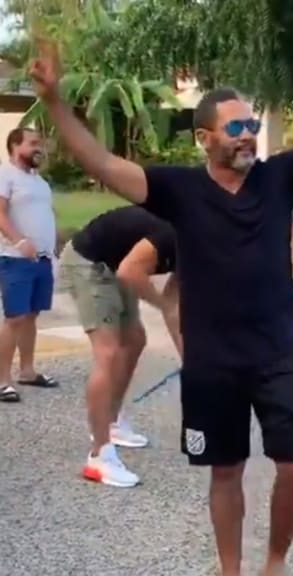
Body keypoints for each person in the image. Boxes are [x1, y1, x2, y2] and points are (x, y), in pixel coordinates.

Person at [29, 16, 293, 576]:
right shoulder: (178, 190)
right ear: (204, 137)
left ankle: (275, 562)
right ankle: (230, 569)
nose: (246, 134)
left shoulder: (279, 177)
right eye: (233, 127)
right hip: (214, 362)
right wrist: (57, 104)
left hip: (279, 353)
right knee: (225, 471)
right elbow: (102, 164)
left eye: (251, 124)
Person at [58, 205, 182, 488]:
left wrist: (191, 358)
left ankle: (111, 422)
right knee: (109, 351)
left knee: (135, 339)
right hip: (88, 261)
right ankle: (99, 456)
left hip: (117, 264)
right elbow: (130, 273)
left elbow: (175, 306)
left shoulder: (201, 245)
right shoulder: (176, 231)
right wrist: (161, 304)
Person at [0, 127, 59, 403]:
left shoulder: (39, 181)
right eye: (33, 143)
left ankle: (27, 371)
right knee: (15, 318)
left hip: (43, 258)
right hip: (15, 259)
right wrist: (19, 240)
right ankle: (2, 381)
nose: (40, 148)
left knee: (32, 315)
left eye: (40, 143)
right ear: (15, 146)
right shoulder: (5, 174)